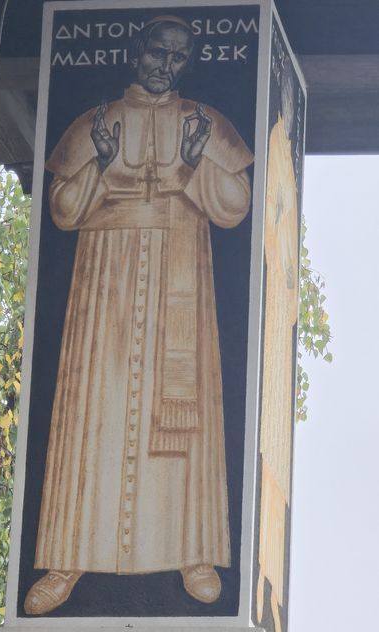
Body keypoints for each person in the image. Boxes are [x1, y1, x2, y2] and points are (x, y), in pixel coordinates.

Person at [24, 15, 253, 615]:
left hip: (182, 277)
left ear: (187, 63)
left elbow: (235, 205)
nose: (165, 66)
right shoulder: (95, 124)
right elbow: (63, 209)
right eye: (157, 53)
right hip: (106, 282)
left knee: (180, 421)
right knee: (93, 411)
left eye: (178, 58)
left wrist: (198, 164)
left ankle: (192, 550)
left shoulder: (204, 123)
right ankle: (69, 556)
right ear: (137, 51)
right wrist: (100, 164)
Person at [256, 57, 298, 632]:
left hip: (280, 319)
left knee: (277, 474)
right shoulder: (274, 147)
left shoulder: (285, 149)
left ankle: (271, 591)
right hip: (271, 313)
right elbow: (271, 222)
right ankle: (263, 585)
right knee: (266, 459)